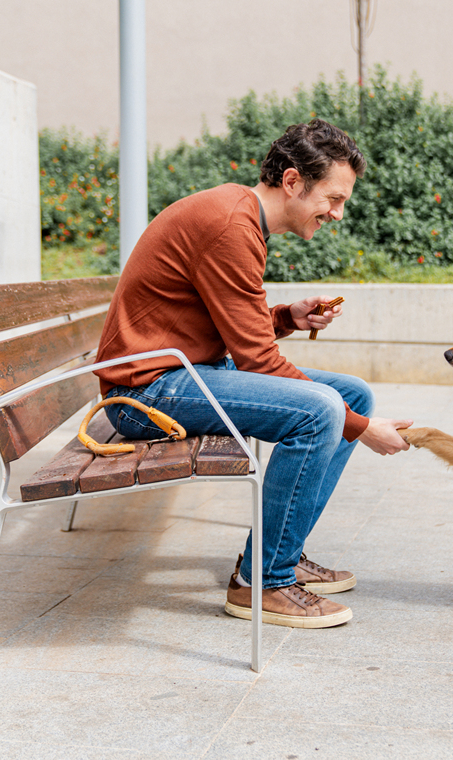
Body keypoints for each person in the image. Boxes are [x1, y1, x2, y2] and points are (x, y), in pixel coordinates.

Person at [94, 118, 412, 628]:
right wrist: (362, 430)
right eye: (333, 198)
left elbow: (231, 326)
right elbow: (258, 361)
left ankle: (281, 546)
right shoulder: (229, 226)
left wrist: (288, 317)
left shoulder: (237, 215)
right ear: (292, 182)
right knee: (323, 411)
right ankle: (264, 580)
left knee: (351, 393)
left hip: (180, 375)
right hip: (146, 394)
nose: (338, 212)